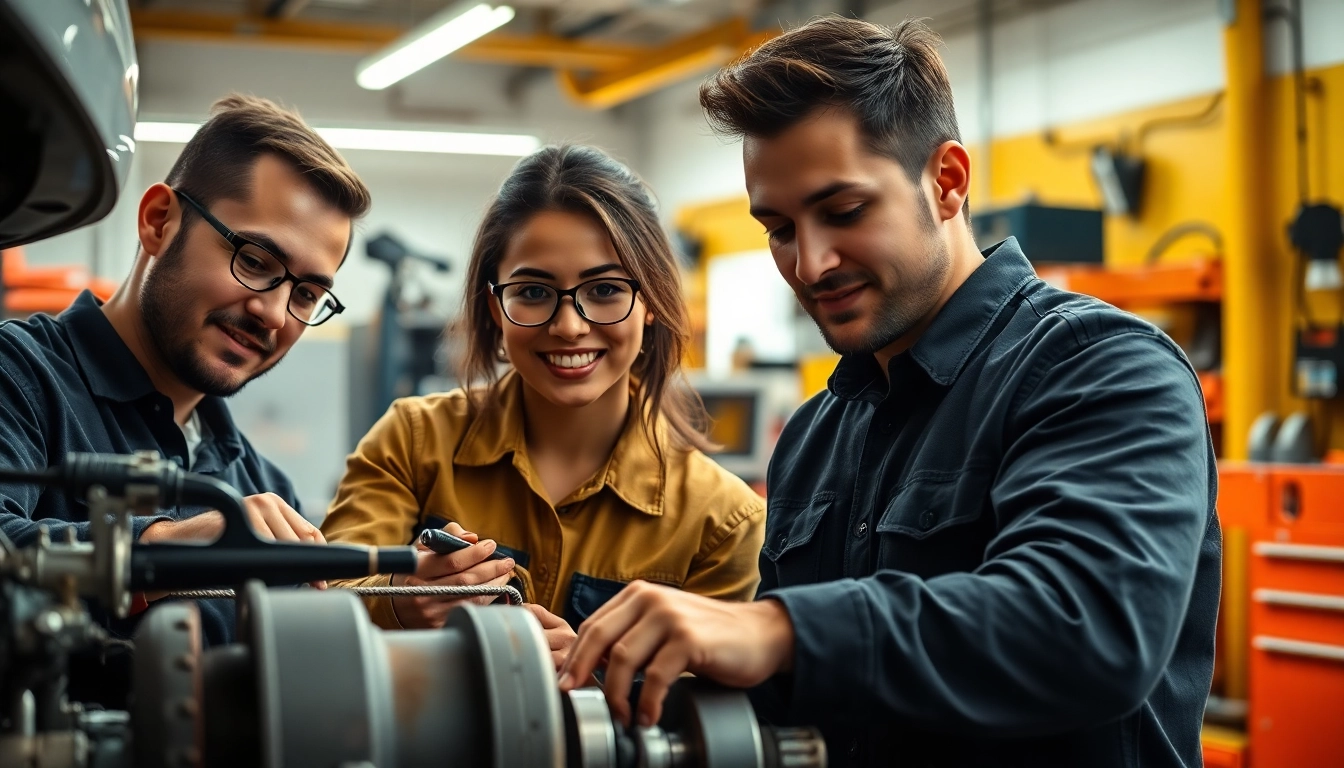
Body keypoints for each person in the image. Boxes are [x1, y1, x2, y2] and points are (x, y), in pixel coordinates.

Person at [559, 16, 1219, 768]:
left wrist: (779, 630)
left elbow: (1090, 626)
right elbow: (800, 698)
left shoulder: (1101, 369)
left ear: (947, 182)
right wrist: (618, 665)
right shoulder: (817, 433)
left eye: (843, 212)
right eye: (778, 228)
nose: (810, 264)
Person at [320, 144, 766, 669]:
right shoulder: (411, 441)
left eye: (604, 289)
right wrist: (398, 596)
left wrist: (595, 675)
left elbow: (711, 718)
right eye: (533, 291)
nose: (569, 325)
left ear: (650, 302)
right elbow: (318, 604)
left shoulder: (722, 522)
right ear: (495, 307)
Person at [0, 94, 371, 657]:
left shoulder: (259, 484)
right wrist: (161, 549)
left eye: (307, 294)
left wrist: (404, 608)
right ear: (159, 223)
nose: (273, 313)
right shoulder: (19, 378)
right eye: (253, 261)